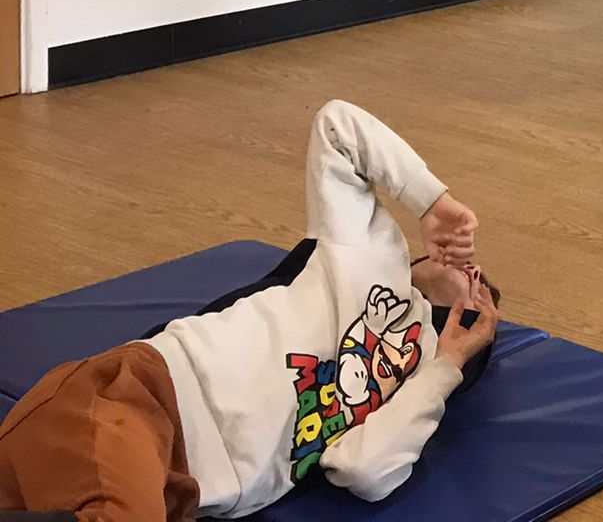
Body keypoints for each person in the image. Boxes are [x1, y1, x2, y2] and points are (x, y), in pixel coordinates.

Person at [0, 101, 500, 519]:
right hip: (136, 401)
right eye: (475, 275)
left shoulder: (415, 385)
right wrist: (432, 201)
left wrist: (445, 369)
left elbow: (364, 470)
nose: (476, 283)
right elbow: (338, 127)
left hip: (181, 489)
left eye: (486, 302)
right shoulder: (367, 257)